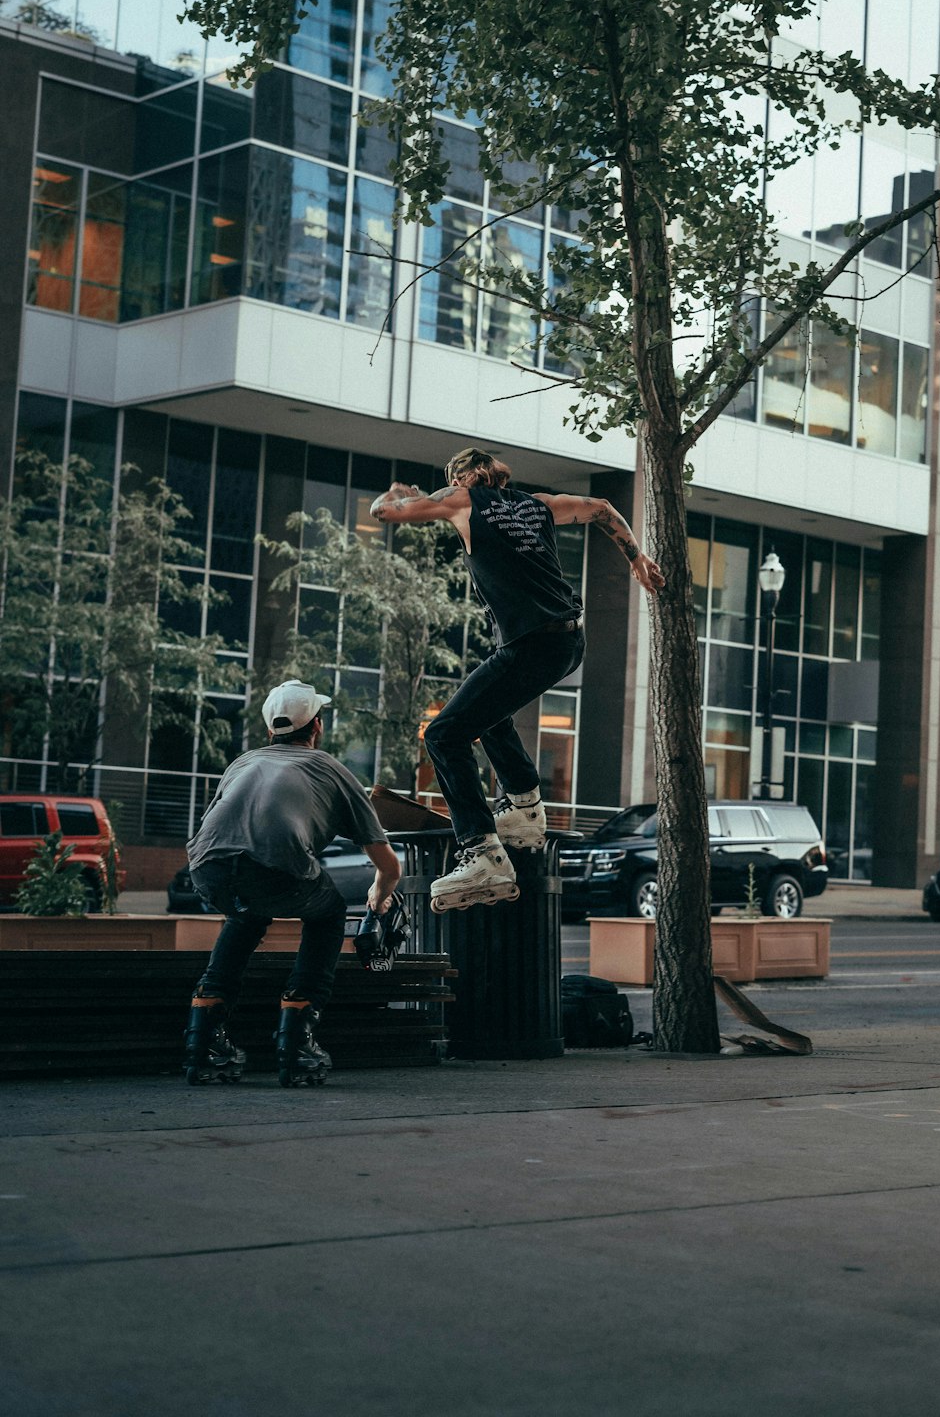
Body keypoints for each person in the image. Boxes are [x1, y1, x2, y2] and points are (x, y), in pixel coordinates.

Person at [369, 447, 664, 910]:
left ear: (464, 477)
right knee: (489, 714)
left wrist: (398, 493)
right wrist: (636, 558)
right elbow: (602, 510)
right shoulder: (539, 503)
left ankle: (481, 852)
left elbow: (384, 513)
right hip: (567, 642)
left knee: (445, 734)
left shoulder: (460, 499)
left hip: (530, 645)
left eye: (453, 477)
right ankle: (525, 809)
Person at [182, 679, 400, 1087]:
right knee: (330, 912)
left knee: (244, 914)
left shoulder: (242, 763)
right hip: (273, 871)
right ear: (317, 725)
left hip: (206, 868)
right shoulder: (331, 769)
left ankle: (203, 1042)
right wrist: (378, 897)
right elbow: (388, 867)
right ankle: (296, 1042)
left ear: (270, 730)